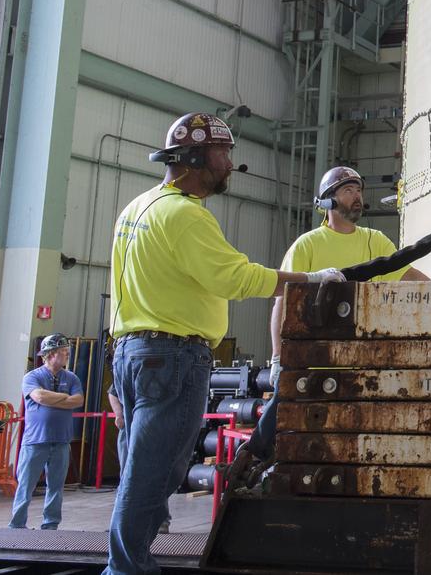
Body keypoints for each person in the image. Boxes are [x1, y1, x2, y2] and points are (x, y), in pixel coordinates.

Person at [104, 113, 345, 575]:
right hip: (173, 357)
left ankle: (136, 559)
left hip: (133, 354)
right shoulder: (185, 216)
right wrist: (310, 281)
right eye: (224, 153)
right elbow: (236, 278)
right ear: (195, 159)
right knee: (152, 475)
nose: (231, 164)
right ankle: (125, 568)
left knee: (143, 467)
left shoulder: (138, 209)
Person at [241, 166, 428, 470]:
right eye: (348, 190)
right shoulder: (308, 245)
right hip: (314, 356)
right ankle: (252, 461)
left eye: (359, 190)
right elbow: (282, 302)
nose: (357, 197)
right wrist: (278, 357)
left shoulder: (375, 241)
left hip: (361, 357)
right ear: (328, 201)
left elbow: (407, 274)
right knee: (284, 409)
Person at [8, 333, 82, 530]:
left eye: (67, 352)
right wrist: (64, 397)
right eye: (63, 352)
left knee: (56, 488)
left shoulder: (72, 377)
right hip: (35, 442)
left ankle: (50, 525)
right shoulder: (32, 377)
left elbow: (78, 401)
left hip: (61, 442)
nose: (67, 355)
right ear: (50, 355)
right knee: (26, 486)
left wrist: (54, 398)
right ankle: (17, 525)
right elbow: (39, 397)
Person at [107, 383, 169, 533]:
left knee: (156, 474)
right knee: (126, 475)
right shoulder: (126, 368)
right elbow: (112, 392)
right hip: (129, 428)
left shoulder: (162, 373)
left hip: (155, 427)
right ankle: (122, 522)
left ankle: (161, 521)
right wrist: (119, 414)